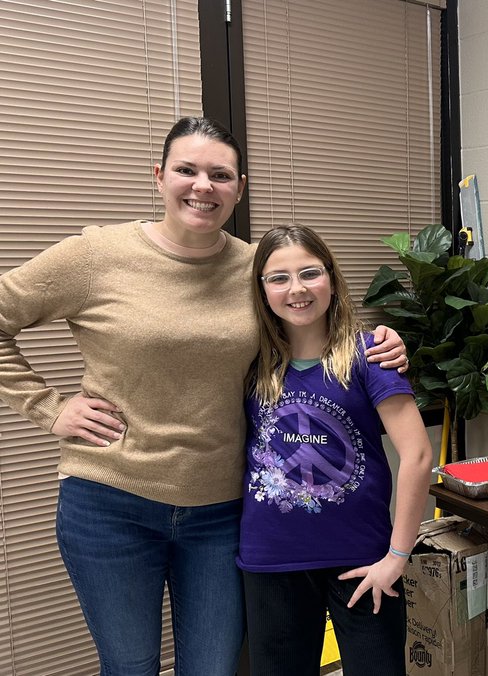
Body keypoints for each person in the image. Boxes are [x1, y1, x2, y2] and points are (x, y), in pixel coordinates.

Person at [0, 116, 407, 675]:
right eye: (186, 170)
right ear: (159, 176)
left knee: (213, 669)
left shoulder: (256, 268)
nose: (203, 186)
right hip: (110, 503)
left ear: (239, 188)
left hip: (220, 511)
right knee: (131, 665)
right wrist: (47, 407)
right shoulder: (96, 256)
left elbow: (310, 327)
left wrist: (382, 341)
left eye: (220, 174)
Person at [239, 224, 431, 676]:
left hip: (364, 560)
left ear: (331, 277)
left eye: (309, 273)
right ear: (262, 288)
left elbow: (418, 456)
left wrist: (397, 557)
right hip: (271, 561)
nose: (297, 289)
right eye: (279, 277)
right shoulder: (250, 364)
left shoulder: (372, 356)